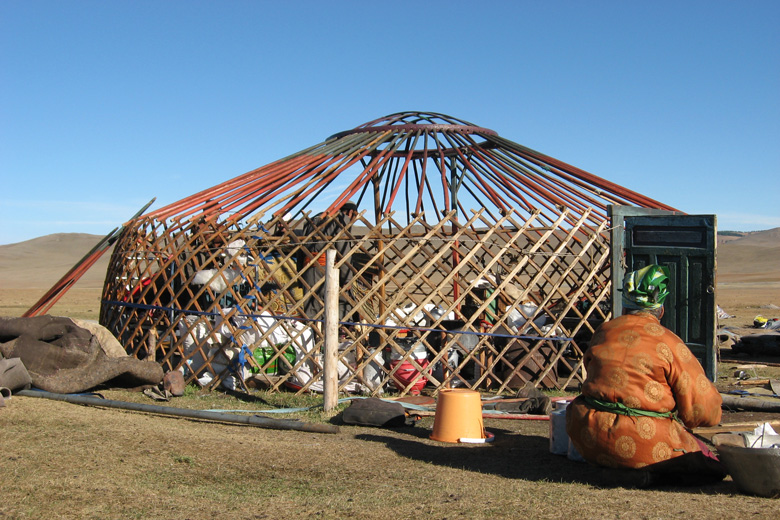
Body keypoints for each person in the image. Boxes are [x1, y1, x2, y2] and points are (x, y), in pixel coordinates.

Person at [566, 264, 725, 485]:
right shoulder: (668, 342)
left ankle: (614, 466)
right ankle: (645, 474)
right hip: (644, 438)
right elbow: (701, 409)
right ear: (660, 310)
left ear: (625, 307)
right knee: (710, 464)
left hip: (586, 434)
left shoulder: (604, 331)